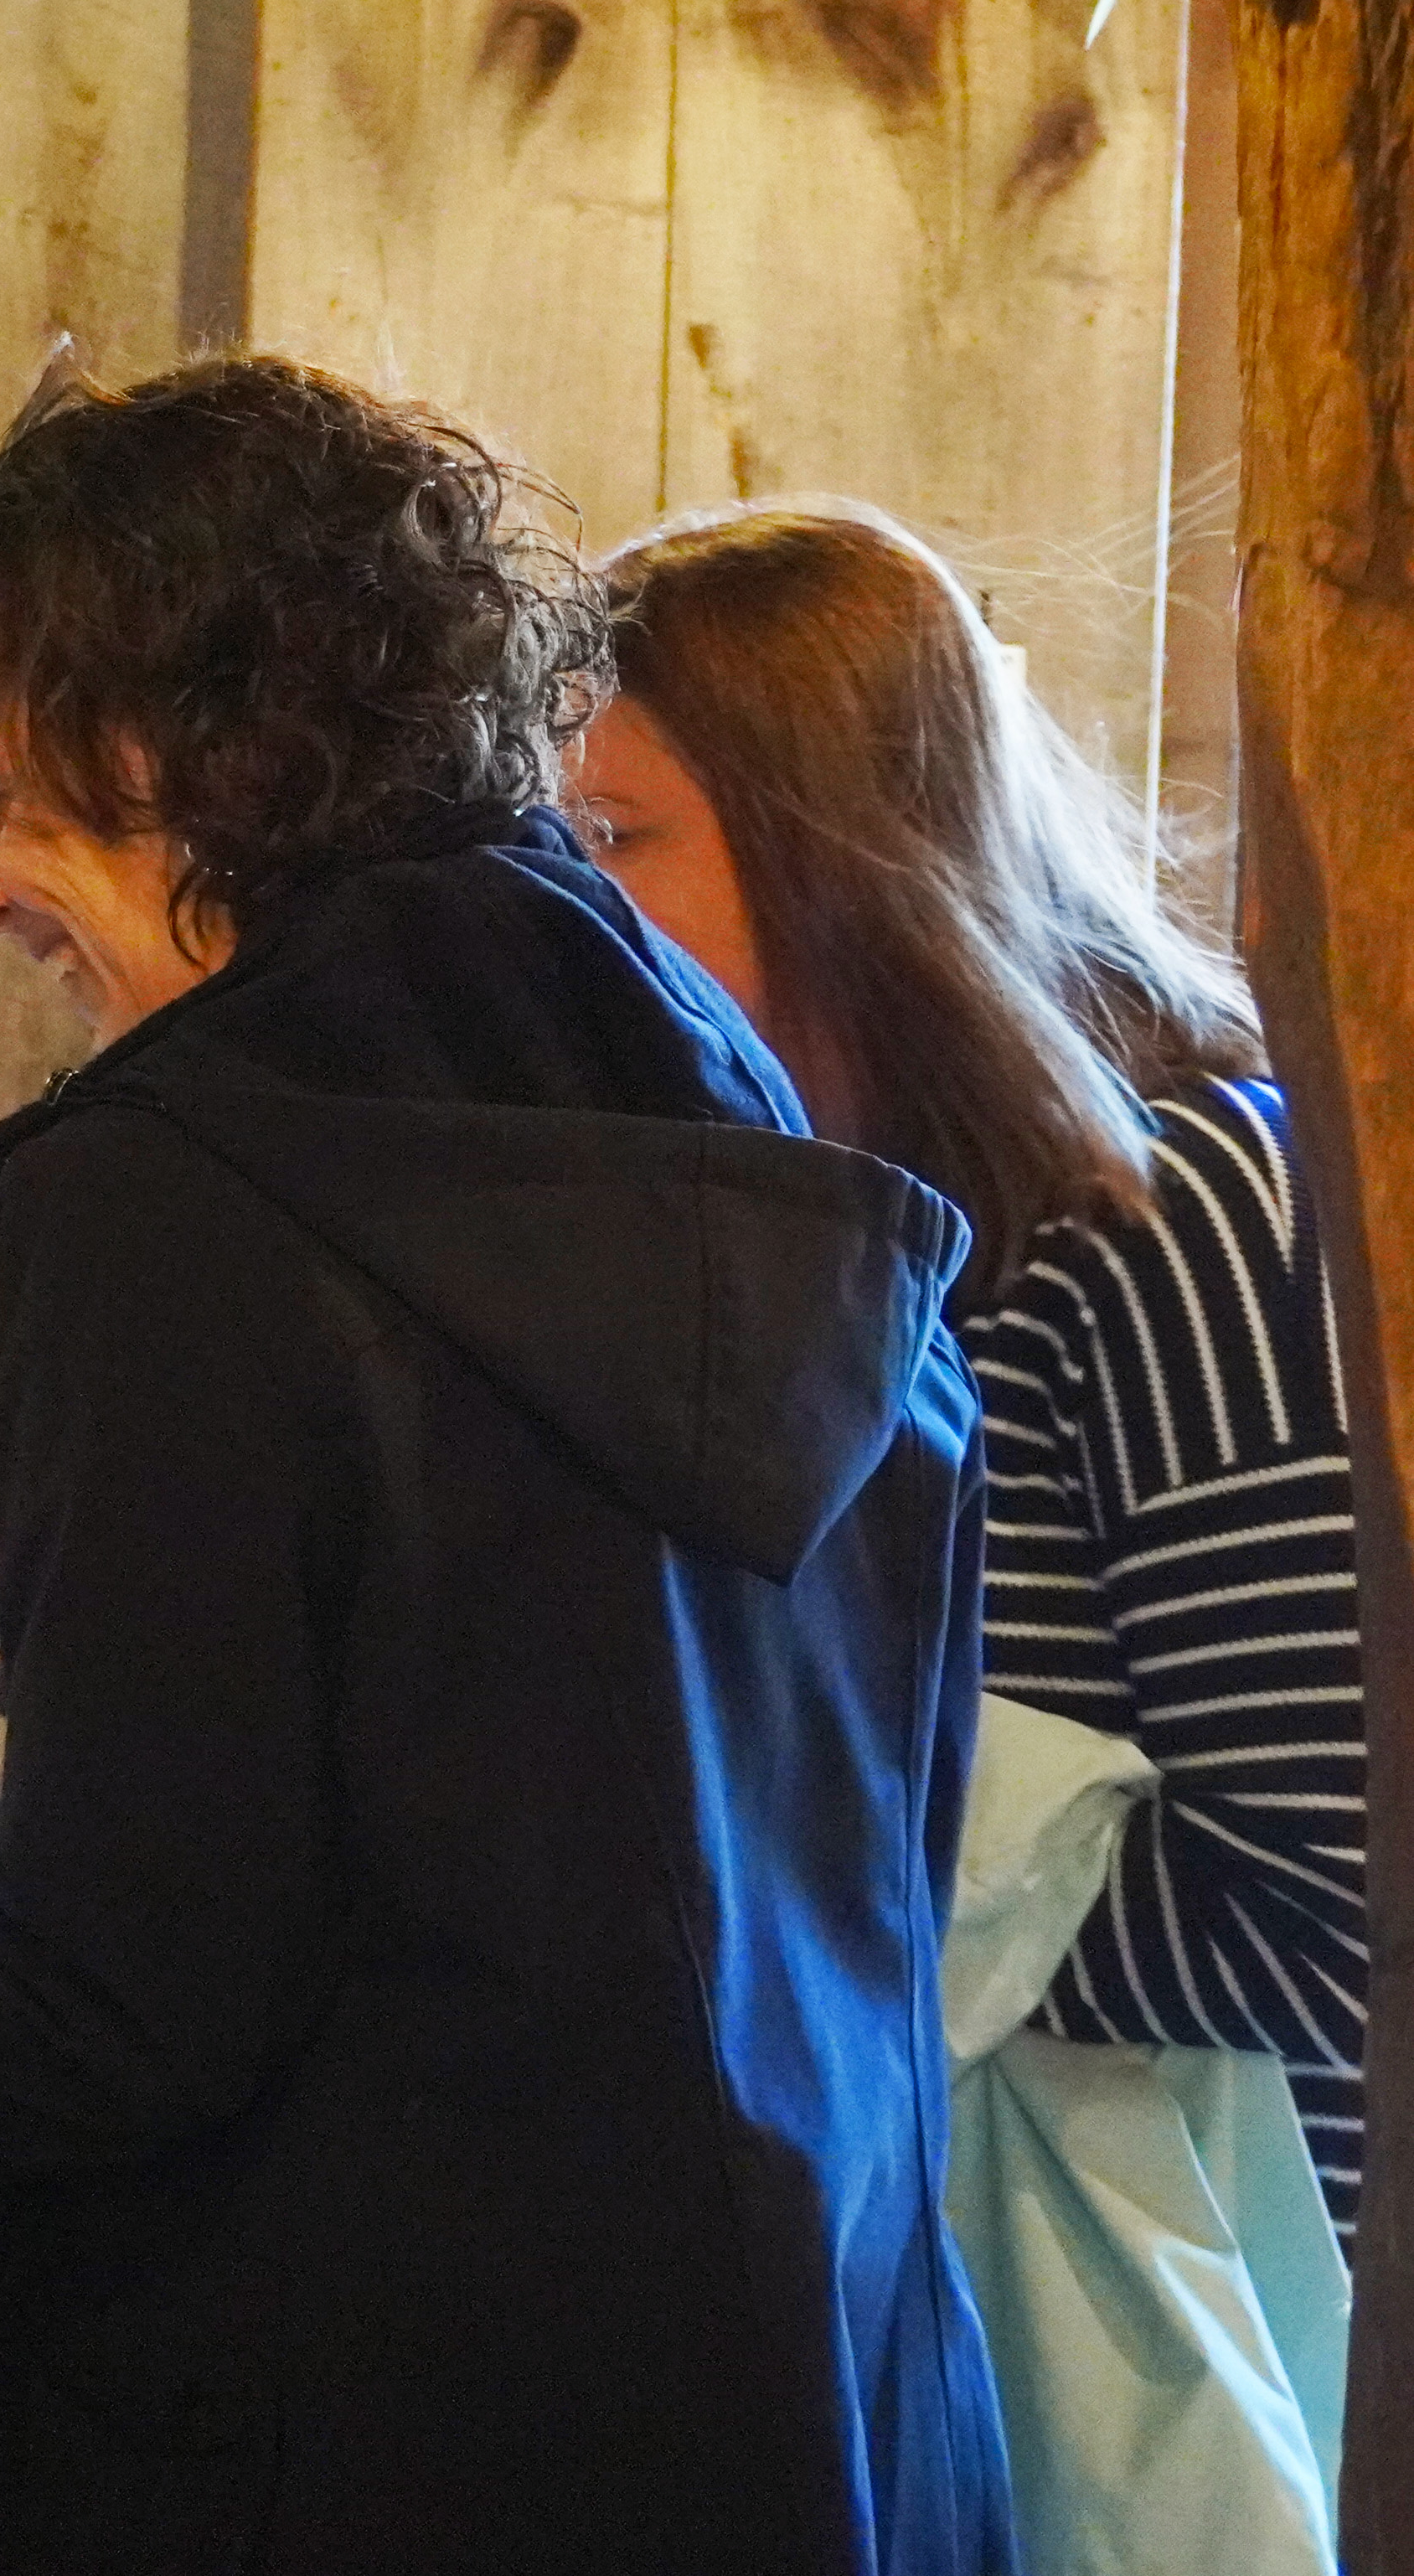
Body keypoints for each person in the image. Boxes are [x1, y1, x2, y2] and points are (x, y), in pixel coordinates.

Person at [0, 360, 1011, 2573]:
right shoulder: (716, 1106)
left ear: (173, 745)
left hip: (354, 2448)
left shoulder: (178, 1195)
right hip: (798, 2409)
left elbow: (109, 1986)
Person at [570, 501, 1360, 2564]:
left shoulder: (1171, 1209)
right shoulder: (840, 1233)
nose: (576, 913)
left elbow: (1329, 1896)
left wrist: (813, 1922)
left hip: (1228, 2345)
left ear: (834, 844)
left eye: (624, 838)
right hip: (991, 2313)